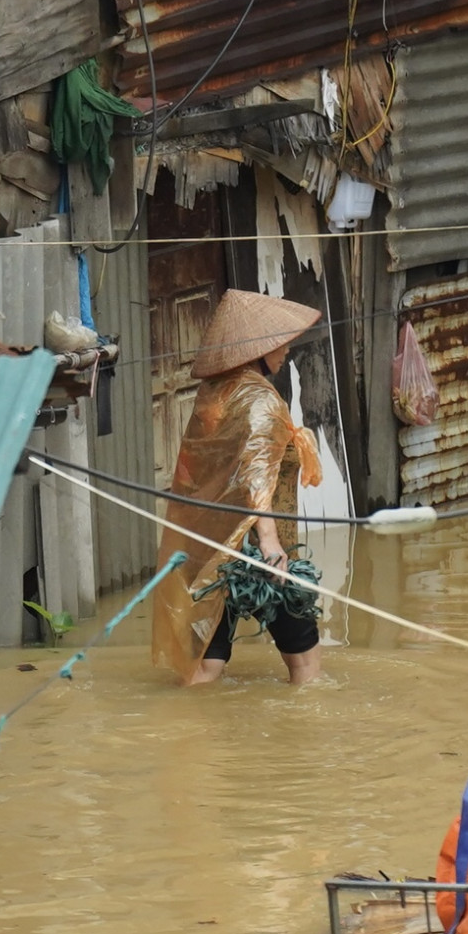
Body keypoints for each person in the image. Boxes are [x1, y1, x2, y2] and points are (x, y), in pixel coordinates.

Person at [150, 289, 327, 686]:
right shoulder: (259, 400)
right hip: (262, 550)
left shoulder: (213, 394)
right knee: (306, 667)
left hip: (209, 551)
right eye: (279, 344)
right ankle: (306, 744)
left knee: (205, 668)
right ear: (256, 351)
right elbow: (255, 475)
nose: (286, 351)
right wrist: (269, 543)